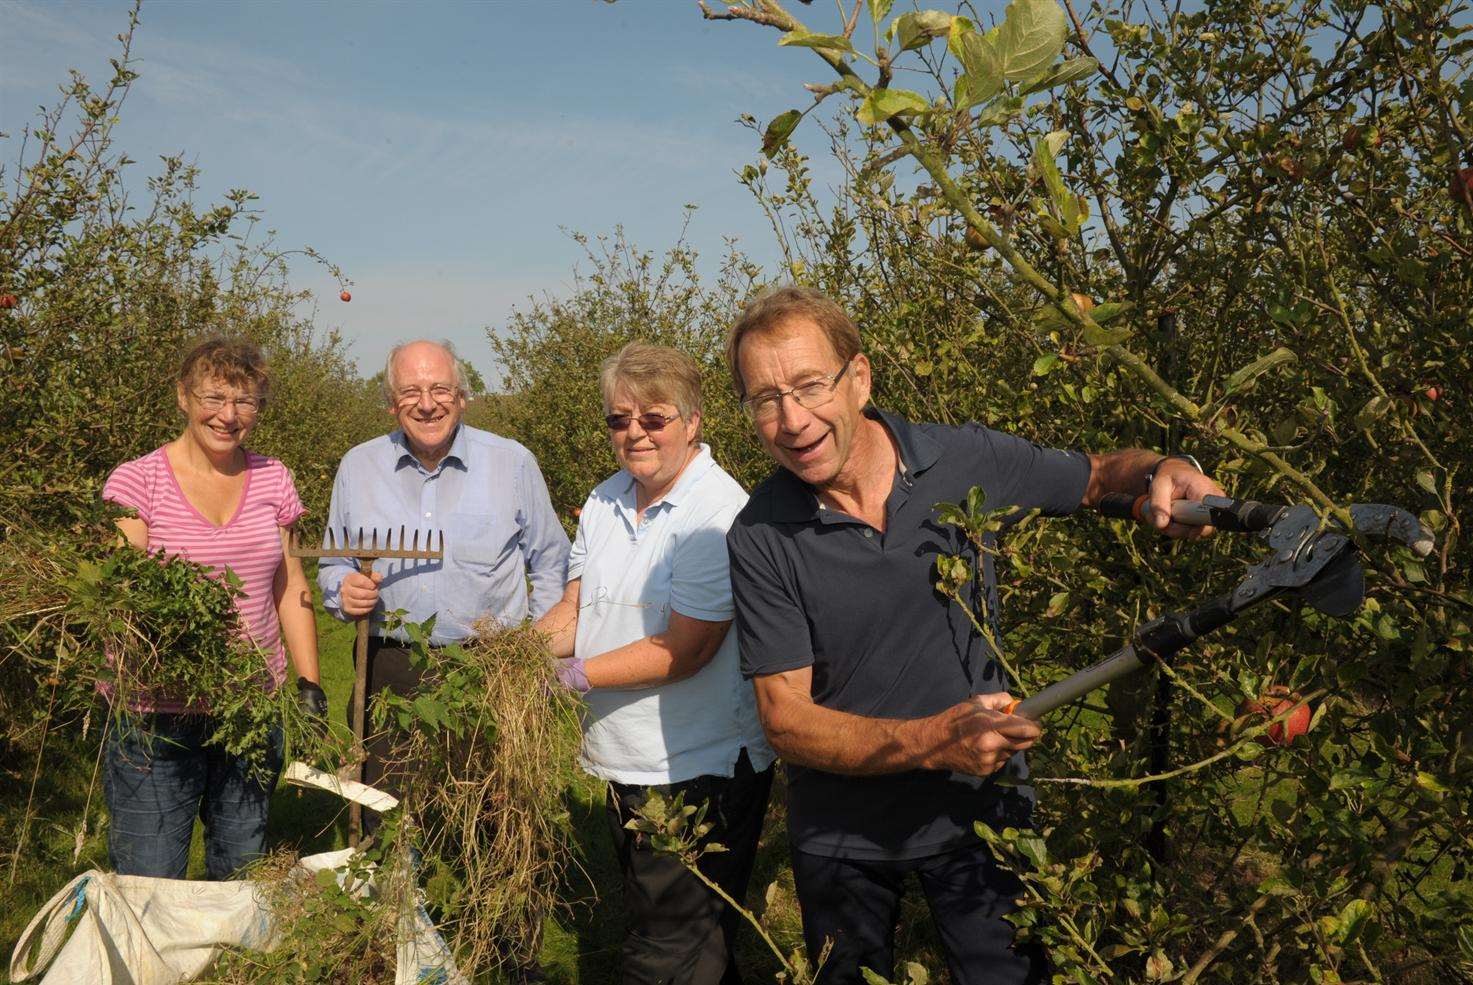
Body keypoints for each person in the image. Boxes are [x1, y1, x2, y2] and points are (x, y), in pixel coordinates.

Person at [723, 286, 1226, 985]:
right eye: (763, 399)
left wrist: (1158, 471)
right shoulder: (758, 535)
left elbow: (1090, 476)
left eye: (810, 385)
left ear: (859, 378)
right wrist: (932, 740)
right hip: (841, 831)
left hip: (980, 812)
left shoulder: (962, 461)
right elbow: (785, 721)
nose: (791, 418)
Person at [537, 341, 775, 985]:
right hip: (627, 754)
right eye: (619, 419)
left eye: (653, 418)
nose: (635, 433)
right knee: (693, 934)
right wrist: (519, 652)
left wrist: (575, 675)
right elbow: (576, 605)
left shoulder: (715, 513)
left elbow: (689, 647)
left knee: (666, 945)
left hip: (697, 761)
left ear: (692, 422)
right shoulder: (607, 498)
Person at [102, 337, 324, 880]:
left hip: (251, 708)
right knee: (147, 877)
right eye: (215, 397)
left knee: (241, 866)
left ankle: (230, 966)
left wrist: (309, 682)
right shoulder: (138, 481)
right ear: (183, 397)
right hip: (155, 711)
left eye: (245, 401)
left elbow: (289, 582)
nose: (229, 416)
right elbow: (125, 591)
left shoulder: (274, 478)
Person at [317, 338, 569, 810]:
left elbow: (552, 560)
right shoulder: (359, 466)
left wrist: (536, 649)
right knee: (387, 804)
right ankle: (398, 883)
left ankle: (492, 884)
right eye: (411, 391)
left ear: (463, 396)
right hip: (390, 662)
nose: (427, 404)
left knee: (495, 804)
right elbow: (334, 564)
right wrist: (341, 591)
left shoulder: (511, 462)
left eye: (440, 389)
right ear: (392, 403)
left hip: (491, 661)